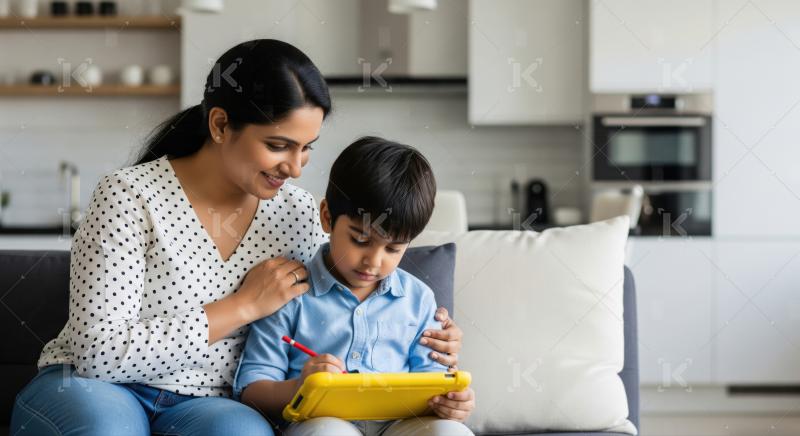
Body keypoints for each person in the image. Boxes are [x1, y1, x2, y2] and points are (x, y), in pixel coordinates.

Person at [10, 40, 465, 436]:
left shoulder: (300, 212)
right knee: (109, 428)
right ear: (221, 125)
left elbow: (343, 298)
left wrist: (428, 336)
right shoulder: (129, 196)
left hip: (207, 403)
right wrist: (242, 307)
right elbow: (98, 356)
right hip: (95, 386)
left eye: (307, 148)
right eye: (278, 145)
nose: (295, 168)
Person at [235, 137, 476, 436]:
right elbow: (251, 389)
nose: (373, 262)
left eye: (393, 249)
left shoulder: (418, 299)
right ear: (327, 217)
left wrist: (451, 403)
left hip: (399, 425)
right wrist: (300, 386)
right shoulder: (290, 293)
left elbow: (432, 380)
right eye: (360, 240)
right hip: (321, 423)